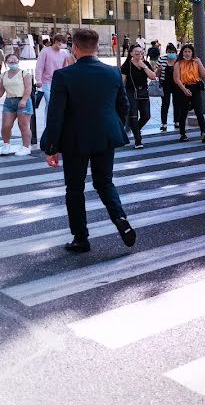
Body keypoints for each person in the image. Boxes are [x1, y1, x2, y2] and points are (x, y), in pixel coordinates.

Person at [40, 28, 136, 253]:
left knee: (75, 189)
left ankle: (80, 237)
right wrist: (115, 127)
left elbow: (56, 115)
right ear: (97, 47)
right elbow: (124, 106)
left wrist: (51, 146)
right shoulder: (112, 72)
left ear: (74, 48)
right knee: (105, 182)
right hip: (105, 136)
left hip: (75, 140)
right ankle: (120, 219)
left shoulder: (64, 76)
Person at [173, 44, 205, 143]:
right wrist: (184, 89)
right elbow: (176, 79)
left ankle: (203, 133)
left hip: (195, 87)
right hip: (183, 87)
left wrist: (199, 63)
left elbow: (204, 75)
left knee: (199, 111)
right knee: (184, 111)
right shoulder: (178, 63)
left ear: (192, 53)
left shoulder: (195, 62)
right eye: (185, 51)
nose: (187, 53)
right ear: (182, 53)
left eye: (189, 51)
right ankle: (182, 133)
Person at [121, 44, 157, 149]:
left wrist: (144, 66)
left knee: (146, 115)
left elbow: (153, 76)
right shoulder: (127, 65)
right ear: (131, 53)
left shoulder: (145, 63)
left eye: (141, 52)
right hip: (131, 92)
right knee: (133, 116)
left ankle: (135, 129)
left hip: (143, 92)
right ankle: (138, 140)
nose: (139, 54)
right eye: (136, 52)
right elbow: (123, 81)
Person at [0, 53, 34, 156]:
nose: (13, 62)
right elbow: (1, 90)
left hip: (23, 101)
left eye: (15, 60)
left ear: (18, 62)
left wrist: (23, 100)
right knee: (6, 126)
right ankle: (6, 145)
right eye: (11, 61)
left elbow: (28, 88)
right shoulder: (3, 75)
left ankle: (26, 147)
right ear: (6, 63)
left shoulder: (24, 73)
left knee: (23, 125)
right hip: (9, 102)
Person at [33, 33, 74, 111]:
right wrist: (38, 79)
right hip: (46, 82)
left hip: (58, 82)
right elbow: (39, 66)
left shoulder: (64, 53)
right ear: (55, 41)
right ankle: (47, 122)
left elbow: (65, 68)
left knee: (57, 104)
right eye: (62, 42)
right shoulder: (45, 51)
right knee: (50, 103)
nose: (63, 45)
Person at [157, 43, 180, 133]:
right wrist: (159, 69)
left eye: (173, 52)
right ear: (166, 52)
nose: (171, 53)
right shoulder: (162, 59)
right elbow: (157, 74)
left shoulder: (179, 59)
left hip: (177, 83)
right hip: (165, 84)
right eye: (169, 52)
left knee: (177, 103)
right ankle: (164, 123)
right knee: (165, 103)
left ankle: (177, 121)